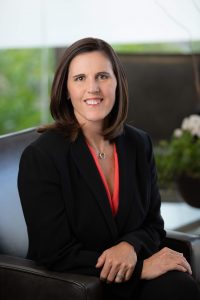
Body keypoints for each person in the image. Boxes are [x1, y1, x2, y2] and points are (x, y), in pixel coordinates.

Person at [17, 37, 200, 300]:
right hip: (76, 281)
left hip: (135, 273)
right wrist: (139, 268)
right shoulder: (41, 157)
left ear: (117, 83)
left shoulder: (139, 143)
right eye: (80, 78)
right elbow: (54, 253)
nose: (93, 88)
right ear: (66, 89)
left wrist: (129, 245)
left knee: (180, 287)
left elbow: (153, 224)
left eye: (102, 76)